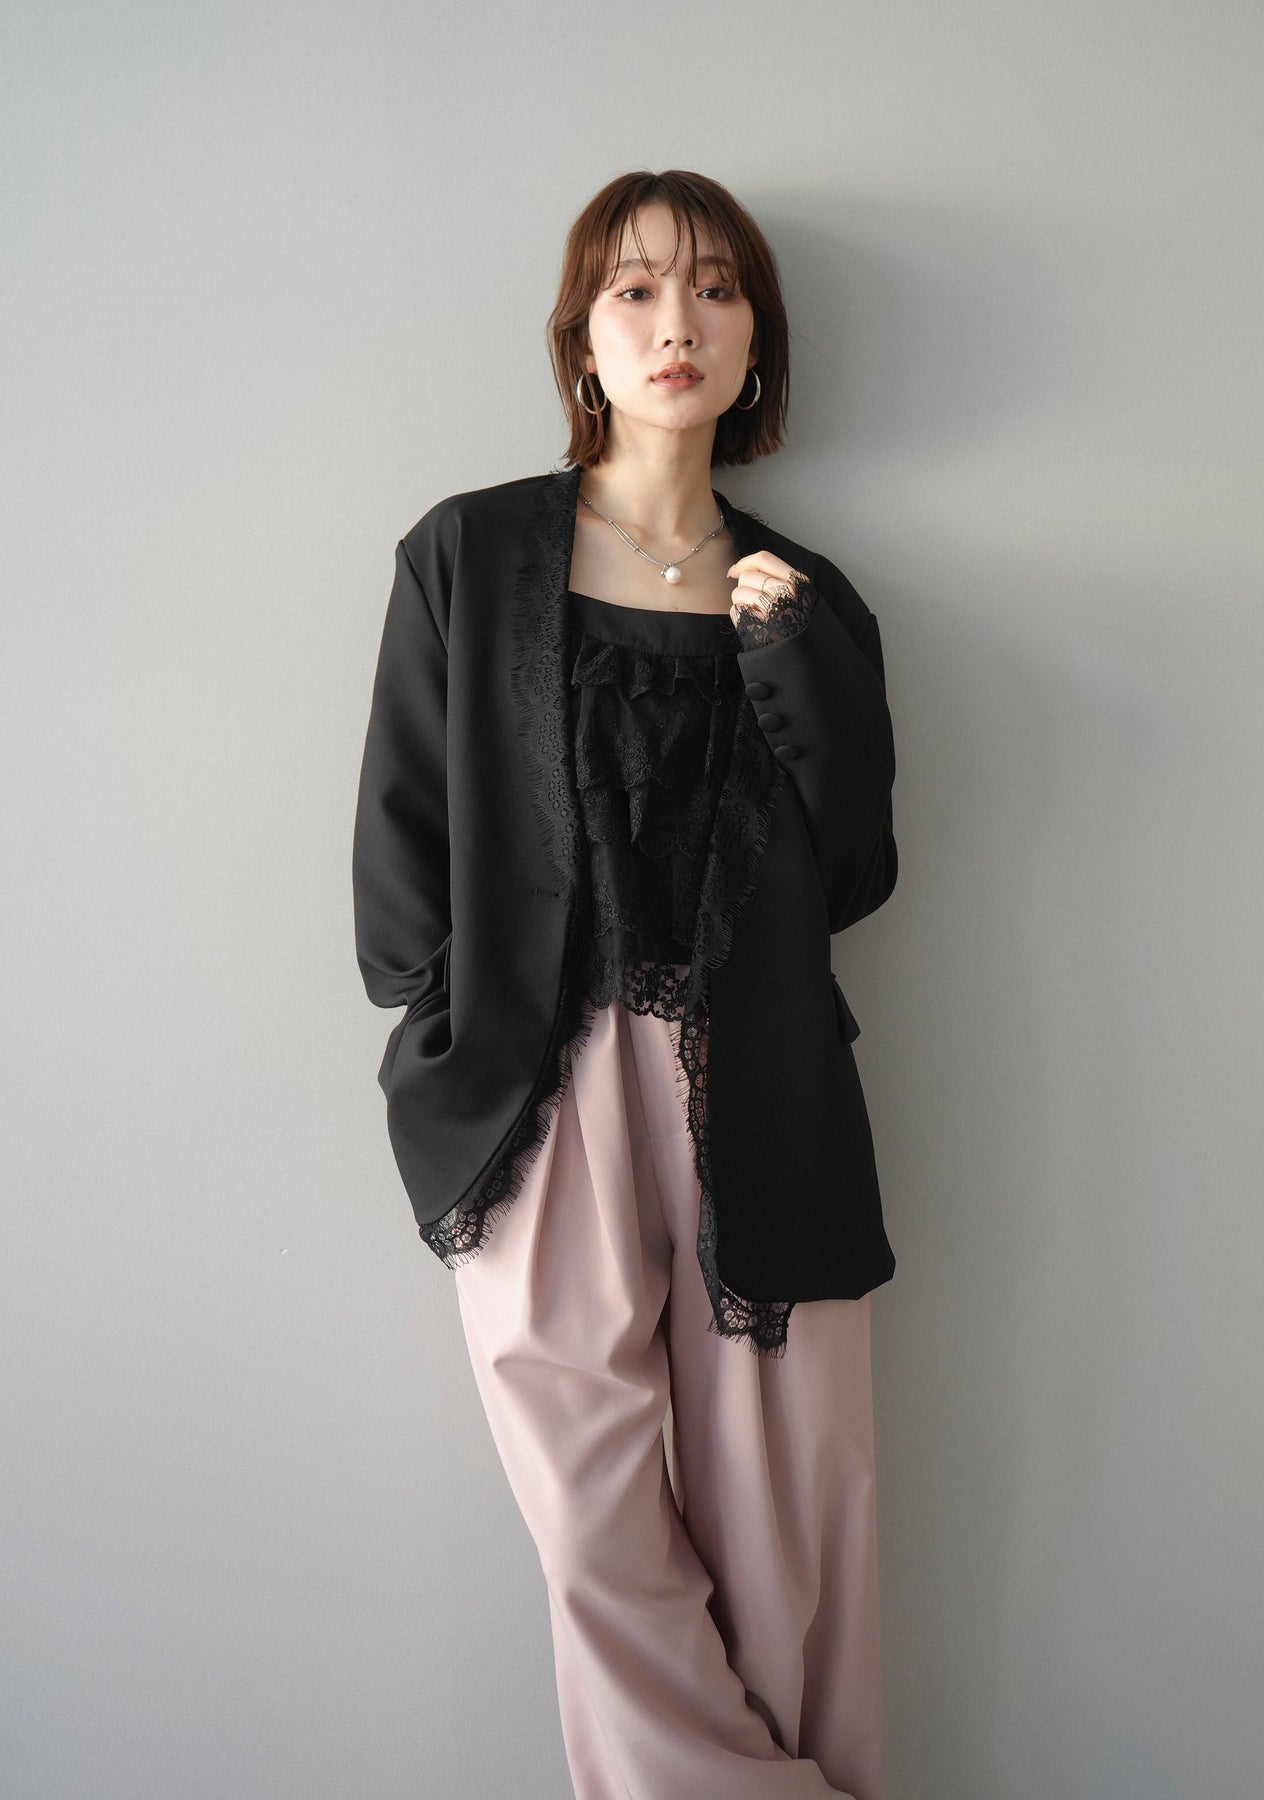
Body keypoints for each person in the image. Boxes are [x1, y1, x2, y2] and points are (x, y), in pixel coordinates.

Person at [352, 168, 899, 1800]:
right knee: (594, 1521)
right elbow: (401, 860)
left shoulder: (809, 598)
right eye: (638, 290)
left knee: (791, 1520)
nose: (680, 324)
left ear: (758, 342)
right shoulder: (470, 554)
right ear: (582, 340)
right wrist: (452, 1036)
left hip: (764, 1081)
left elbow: (855, 875)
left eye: (717, 290)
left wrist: (788, 658)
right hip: (538, 1085)